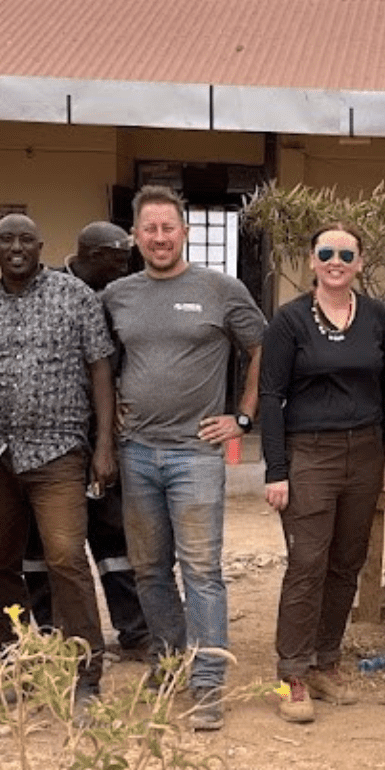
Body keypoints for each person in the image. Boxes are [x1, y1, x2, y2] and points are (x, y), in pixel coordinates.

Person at [104, 185, 266, 731]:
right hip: (137, 452)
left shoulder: (220, 289)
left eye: (167, 228)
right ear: (136, 236)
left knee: (202, 571)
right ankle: (169, 661)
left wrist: (242, 416)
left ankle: (207, 683)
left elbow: (261, 348)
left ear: (185, 232)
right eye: (148, 229)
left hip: (195, 453)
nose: (158, 237)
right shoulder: (119, 295)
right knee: (149, 569)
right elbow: (105, 362)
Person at [0, 214, 117, 710]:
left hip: (58, 453)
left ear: (40, 245)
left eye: (26, 239)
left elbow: (100, 371)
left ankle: (86, 673)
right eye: (6, 239)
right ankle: (21, 662)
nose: (16, 247)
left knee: (66, 558)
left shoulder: (76, 298)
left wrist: (104, 446)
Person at [258, 224, 385, 723]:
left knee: (348, 561)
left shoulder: (379, 317)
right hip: (309, 454)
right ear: (313, 260)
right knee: (307, 563)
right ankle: (292, 673)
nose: (336, 260)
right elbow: (270, 398)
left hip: (364, 450)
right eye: (326, 252)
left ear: (361, 262)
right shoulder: (289, 321)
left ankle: (325, 659)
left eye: (347, 253)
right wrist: (276, 470)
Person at [13, 221, 151, 656]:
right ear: (91, 255)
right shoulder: (52, 291)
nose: (124, 269)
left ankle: (135, 631)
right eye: (116, 260)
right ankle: (53, 634)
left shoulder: (122, 294)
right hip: (53, 443)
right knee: (44, 545)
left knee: (113, 538)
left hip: (104, 439)